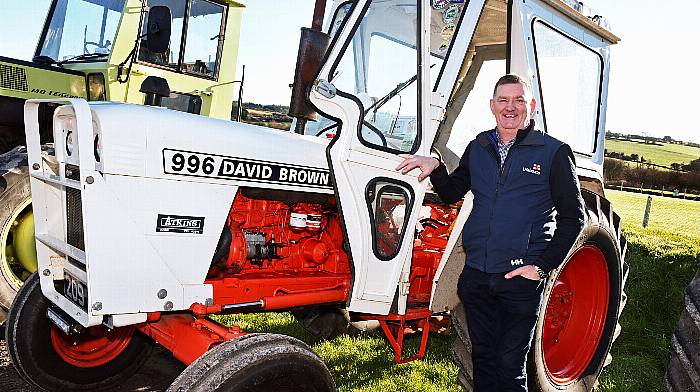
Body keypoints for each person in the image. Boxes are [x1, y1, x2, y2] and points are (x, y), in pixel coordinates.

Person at [396, 74, 585, 391]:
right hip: (477, 277)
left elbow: (574, 217)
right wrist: (437, 167)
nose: (510, 107)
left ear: (531, 106)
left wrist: (540, 267)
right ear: (492, 106)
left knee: (509, 370)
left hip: (519, 280)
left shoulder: (553, 153)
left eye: (518, 100)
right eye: (503, 100)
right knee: (482, 360)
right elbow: (453, 192)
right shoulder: (479, 146)